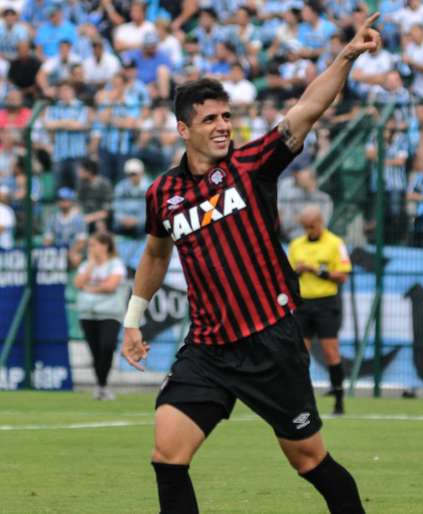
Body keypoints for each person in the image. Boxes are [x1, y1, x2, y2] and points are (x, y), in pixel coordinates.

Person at [119, 15, 384, 514]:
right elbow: (156, 253)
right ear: (183, 130)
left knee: (309, 461)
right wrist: (133, 319)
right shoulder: (164, 194)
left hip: (271, 342)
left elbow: (307, 109)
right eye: (209, 120)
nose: (223, 126)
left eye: (226, 117)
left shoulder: (251, 165)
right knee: (167, 455)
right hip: (208, 350)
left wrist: (347, 56)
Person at [288, 205, 352, 415]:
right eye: (305, 227)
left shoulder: (335, 243)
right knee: (298, 355)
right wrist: (296, 272)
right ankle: (301, 401)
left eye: (311, 226)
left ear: (321, 222)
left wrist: (316, 270)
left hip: (325, 303)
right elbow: (287, 275)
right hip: (303, 305)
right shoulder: (296, 245)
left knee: (330, 352)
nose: (309, 230)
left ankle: (339, 400)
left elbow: (342, 275)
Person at [73, 231, 127, 400]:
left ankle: (102, 384)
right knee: (95, 350)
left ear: (105, 246)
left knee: (107, 347)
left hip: (110, 313)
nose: (91, 248)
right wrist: (90, 263)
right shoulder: (86, 264)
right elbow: (78, 283)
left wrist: (90, 288)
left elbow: (111, 286)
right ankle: (101, 386)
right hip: (88, 313)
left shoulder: (116, 264)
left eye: (93, 245)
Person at [112, 158, 151, 238]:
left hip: (142, 223)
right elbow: (116, 207)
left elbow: (150, 210)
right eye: (130, 174)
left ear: (141, 173)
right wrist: (123, 219)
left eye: (134, 174)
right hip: (123, 222)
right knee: (115, 227)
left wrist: (137, 221)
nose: (132, 177)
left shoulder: (150, 187)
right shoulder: (120, 187)